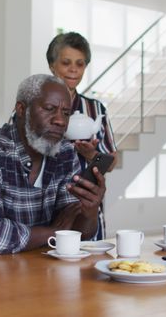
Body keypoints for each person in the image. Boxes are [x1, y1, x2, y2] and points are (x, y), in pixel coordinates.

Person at [0, 74, 106, 255]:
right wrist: (54, 232)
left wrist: (90, 210)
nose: (60, 120)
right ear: (21, 109)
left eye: (66, 113)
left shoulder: (65, 153)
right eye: (50, 109)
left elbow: (78, 232)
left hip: (34, 270)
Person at [47, 32, 117, 240]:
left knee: (89, 267)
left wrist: (91, 154)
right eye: (66, 62)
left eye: (80, 64)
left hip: (85, 206)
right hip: (42, 207)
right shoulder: (34, 106)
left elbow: (110, 163)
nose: (73, 69)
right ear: (52, 65)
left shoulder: (95, 109)